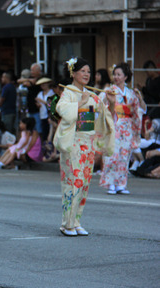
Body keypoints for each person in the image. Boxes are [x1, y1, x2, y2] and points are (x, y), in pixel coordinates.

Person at [54, 57, 116, 236]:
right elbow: (62, 110)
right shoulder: (68, 92)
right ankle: (67, 223)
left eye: (88, 72)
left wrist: (111, 102)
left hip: (87, 144)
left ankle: (76, 220)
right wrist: (81, 102)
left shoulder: (92, 95)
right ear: (73, 73)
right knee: (73, 183)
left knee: (84, 184)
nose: (86, 75)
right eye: (82, 71)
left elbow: (106, 117)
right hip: (73, 143)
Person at [100, 62, 142, 195]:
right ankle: (111, 183)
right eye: (115, 74)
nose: (116, 77)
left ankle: (121, 184)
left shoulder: (131, 93)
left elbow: (138, 110)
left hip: (127, 126)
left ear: (125, 77)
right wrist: (108, 101)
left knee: (124, 156)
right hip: (114, 124)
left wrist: (140, 99)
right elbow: (101, 105)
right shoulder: (109, 90)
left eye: (119, 74)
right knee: (112, 154)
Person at [18, 63, 43, 133]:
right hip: (30, 108)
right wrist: (29, 80)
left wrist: (29, 81)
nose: (31, 72)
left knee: (38, 129)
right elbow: (19, 81)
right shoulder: (30, 78)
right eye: (31, 70)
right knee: (31, 129)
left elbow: (32, 83)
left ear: (38, 71)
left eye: (33, 70)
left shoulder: (41, 79)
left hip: (38, 109)